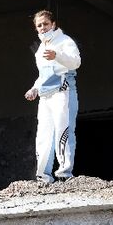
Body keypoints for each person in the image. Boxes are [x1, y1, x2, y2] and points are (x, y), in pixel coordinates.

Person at [24, 10, 80, 184]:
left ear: (53, 24)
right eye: (39, 25)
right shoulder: (40, 49)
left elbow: (76, 62)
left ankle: (64, 173)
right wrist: (34, 89)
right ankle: (43, 176)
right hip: (45, 95)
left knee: (63, 130)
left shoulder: (65, 41)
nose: (42, 28)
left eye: (45, 24)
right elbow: (44, 75)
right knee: (43, 134)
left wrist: (58, 55)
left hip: (63, 90)